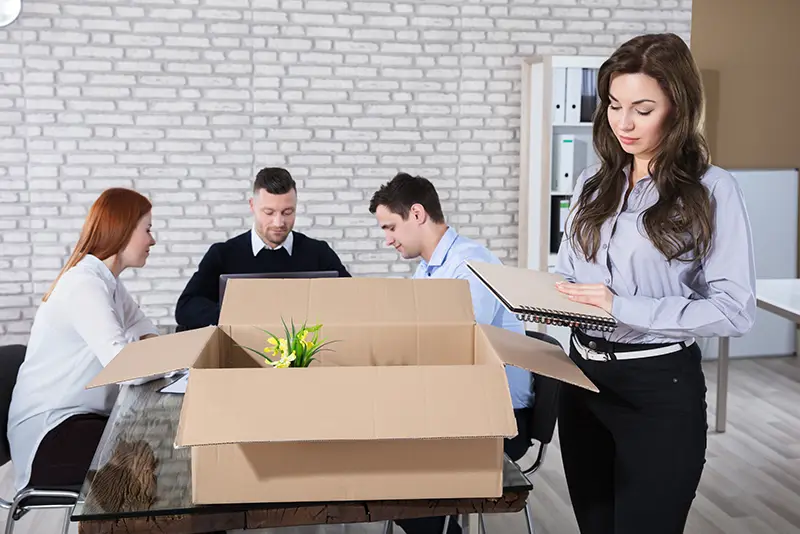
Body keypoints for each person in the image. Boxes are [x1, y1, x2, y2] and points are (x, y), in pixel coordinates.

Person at [552, 33, 756, 534]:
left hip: (658, 390)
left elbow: (734, 309)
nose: (623, 123)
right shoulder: (591, 184)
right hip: (583, 383)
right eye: (615, 105)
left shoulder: (713, 190)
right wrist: (542, 299)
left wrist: (624, 307)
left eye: (642, 109)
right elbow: (568, 273)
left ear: (677, 108)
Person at [369, 172, 535, 534]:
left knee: (388, 461)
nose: (388, 240)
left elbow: (459, 351)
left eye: (390, 227)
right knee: (372, 446)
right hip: (459, 404)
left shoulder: (469, 266)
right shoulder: (429, 270)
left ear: (417, 214)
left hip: (499, 418)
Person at [7, 188, 160, 493]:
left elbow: (148, 335)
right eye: (148, 229)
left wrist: (156, 356)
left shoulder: (109, 284)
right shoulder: (84, 284)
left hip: (79, 420)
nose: (152, 240)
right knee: (148, 467)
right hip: (50, 434)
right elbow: (123, 366)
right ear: (123, 231)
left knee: (156, 455)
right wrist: (166, 362)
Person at [175, 167, 351, 329]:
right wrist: (236, 316)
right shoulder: (223, 254)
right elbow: (186, 307)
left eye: (288, 212)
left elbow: (353, 301)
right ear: (252, 206)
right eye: (269, 212)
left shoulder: (319, 252)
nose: (279, 222)